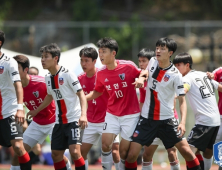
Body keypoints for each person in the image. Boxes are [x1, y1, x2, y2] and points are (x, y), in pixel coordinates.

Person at [125, 37, 202, 170]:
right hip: (147, 120)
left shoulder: (175, 75)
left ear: (170, 53)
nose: (158, 51)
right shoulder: (153, 61)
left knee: (187, 153)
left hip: (167, 121)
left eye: (162, 48)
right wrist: (141, 78)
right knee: (132, 155)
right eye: (157, 48)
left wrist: (182, 122)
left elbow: (182, 101)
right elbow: (146, 72)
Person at [86, 37, 146, 170]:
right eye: (99, 51)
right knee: (106, 144)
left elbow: (144, 72)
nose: (101, 55)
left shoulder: (128, 66)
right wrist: (82, 99)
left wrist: (141, 78)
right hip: (112, 114)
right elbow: (97, 91)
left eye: (104, 51)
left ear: (113, 53)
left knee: (123, 152)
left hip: (131, 115)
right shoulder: (100, 73)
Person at [27, 43, 88, 170]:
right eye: (42, 57)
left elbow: (81, 95)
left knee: (75, 152)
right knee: (56, 155)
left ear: (55, 58)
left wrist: (83, 115)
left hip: (73, 120)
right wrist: (36, 111)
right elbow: (50, 96)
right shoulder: (48, 77)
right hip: (58, 122)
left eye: (46, 57)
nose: (42, 60)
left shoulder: (67, 74)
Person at [10, 55, 71, 170]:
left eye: (17, 68)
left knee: (57, 155)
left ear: (25, 70)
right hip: (37, 123)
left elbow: (57, 95)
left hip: (53, 122)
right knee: (18, 153)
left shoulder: (41, 82)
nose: (13, 72)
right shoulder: (13, 86)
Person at [173, 52, 222, 170]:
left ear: (187, 65)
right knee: (208, 150)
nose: (176, 68)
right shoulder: (203, 74)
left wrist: (174, 95)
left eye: (179, 65)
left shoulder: (186, 78)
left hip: (204, 121)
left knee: (188, 151)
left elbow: (184, 88)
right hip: (215, 120)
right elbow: (219, 87)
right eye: (175, 66)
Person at [78, 47, 120, 170]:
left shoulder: (103, 74)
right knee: (81, 153)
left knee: (115, 152)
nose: (83, 64)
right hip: (90, 121)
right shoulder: (79, 79)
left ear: (95, 61)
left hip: (108, 120)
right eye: (82, 60)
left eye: (87, 60)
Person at [137, 48, 180, 170]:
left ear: (152, 62)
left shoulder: (164, 75)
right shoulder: (142, 79)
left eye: (144, 61)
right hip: (150, 120)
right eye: (139, 61)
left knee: (172, 153)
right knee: (147, 154)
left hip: (168, 119)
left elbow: (174, 97)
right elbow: (142, 101)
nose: (141, 64)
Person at [0, 30, 31, 170]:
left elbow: (18, 85)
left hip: (9, 111)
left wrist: (20, 109)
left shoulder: (9, 62)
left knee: (18, 147)